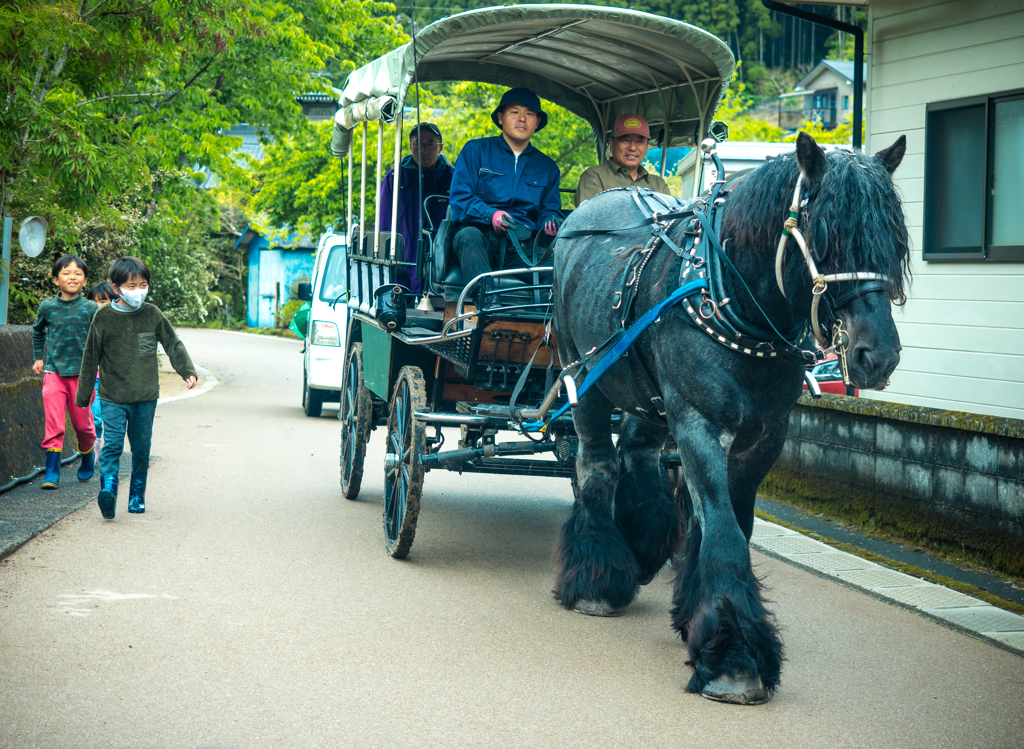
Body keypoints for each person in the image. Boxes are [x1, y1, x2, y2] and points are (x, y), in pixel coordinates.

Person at [75, 257, 197, 519]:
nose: (139, 290)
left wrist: (187, 370)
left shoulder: (152, 314)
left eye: (143, 285)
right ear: (117, 288)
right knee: (113, 446)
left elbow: (172, 343)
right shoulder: (104, 317)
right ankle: (108, 490)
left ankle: (137, 494)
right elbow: (90, 355)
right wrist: (84, 394)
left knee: (141, 449)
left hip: (145, 396)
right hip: (113, 396)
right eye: (132, 285)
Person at [449, 87, 564, 282]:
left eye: (529, 114)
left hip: (523, 249)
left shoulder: (548, 167)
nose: (522, 118)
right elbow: (460, 198)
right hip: (479, 240)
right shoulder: (476, 150)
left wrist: (549, 223)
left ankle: (544, 313)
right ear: (501, 118)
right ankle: (489, 308)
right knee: (468, 236)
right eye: (515, 112)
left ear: (537, 123)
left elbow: (550, 209)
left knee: (561, 272)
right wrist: (491, 214)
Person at [31, 255, 99, 489]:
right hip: (54, 373)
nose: (72, 277)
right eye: (66, 273)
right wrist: (38, 358)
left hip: (83, 375)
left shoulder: (90, 308)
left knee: (83, 426)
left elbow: (100, 339)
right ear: (55, 279)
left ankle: (88, 453)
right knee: (55, 424)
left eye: (78, 273)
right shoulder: (47, 307)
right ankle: (52, 471)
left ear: (85, 280)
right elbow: (38, 331)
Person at [377, 122, 455, 295]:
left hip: (440, 254)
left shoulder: (452, 177)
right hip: (403, 254)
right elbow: (383, 219)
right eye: (418, 143)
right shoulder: (395, 177)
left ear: (440, 147)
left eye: (430, 143)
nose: (424, 150)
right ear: (410, 146)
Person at [574, 114, 671, 205]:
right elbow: (590, 219)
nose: (633, 148)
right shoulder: (594, 177)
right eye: (625, 140)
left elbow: (671, 220)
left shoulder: (659, 184)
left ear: (646, 146)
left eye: (640, 142)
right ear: (611, 143)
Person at [85, 282, 115, 441]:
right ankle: (91, 452)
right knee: (94, 417)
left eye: (103, 301)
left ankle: (106, 453)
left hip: (113, 382)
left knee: (112, 421)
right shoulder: (85, 325)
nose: (98, 305)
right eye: (94, 301)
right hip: (93, 380)